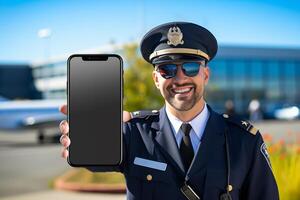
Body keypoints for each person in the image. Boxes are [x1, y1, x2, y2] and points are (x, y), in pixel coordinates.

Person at [59, 22, 279, 200]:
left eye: (191, 67)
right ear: (156, 79)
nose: (180, 78)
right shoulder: (132, 134)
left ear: (206, 75)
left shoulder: (244, 141)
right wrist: (84, 135)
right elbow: (91, 158)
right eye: (167, 69)